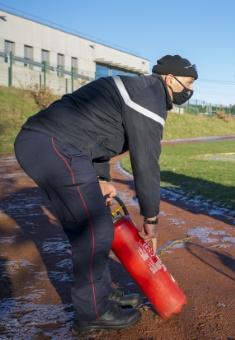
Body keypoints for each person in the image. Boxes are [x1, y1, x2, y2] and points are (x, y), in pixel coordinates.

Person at [14, 54, 198, 332]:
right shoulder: (151, 94)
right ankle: (91, 313)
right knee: (94, 231)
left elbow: (96, 135)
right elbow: (146, 160)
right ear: (169, 79)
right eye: (188, 82)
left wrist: (100, 179)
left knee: (96, 225)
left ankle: (98, 295)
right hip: (54, 145)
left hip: (55, 145)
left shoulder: (142, 90)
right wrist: (151, 218)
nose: (190, 90)